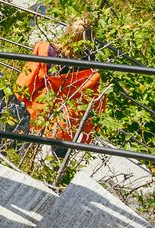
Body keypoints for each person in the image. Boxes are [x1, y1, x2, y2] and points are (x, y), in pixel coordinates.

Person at [16, 16, 106, 153]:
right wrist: (87, 136)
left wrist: (19, 99)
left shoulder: (46, 50)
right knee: (61, 149)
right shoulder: (91, 69)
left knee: (26, 140)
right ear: (91, 39)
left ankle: (23, 154)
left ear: (67, 30)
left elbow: (26, 82)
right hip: (67, 120)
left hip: (42, 107)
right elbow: (94, 105)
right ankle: (58, 168)